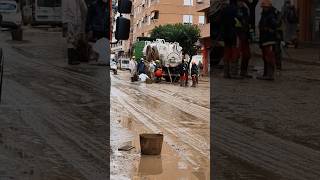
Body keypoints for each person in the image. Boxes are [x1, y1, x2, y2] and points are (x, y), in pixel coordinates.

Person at [220, 0, 242, 79]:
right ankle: (234, 73)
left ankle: (226, 73)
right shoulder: (236, 10)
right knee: (234, 53)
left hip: (226, 35)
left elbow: (221, 22)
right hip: (234, 34)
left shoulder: (224, 10)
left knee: (227, 53)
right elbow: (240, 21)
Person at [62, 0, 88, 65]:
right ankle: (71, 59)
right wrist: (64, 22)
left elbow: (84, 9)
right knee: (70, 40)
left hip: (78, 21)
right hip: (69, 21)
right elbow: (64, 10)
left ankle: (75, 58)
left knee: (76, 39)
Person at [257, 0, 278, 80]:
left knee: (269, 57)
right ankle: (266, 74)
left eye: (265, 7)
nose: (264, 8)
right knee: (265, 57)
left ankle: (270, 75)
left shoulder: (271, 15)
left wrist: (267, 29)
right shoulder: (264, 15)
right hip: (264, 38)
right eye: (263, 7)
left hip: (269, 39)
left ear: (268, 7)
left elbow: (275, 25)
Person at [236, 0, 253, 78]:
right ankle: (235, 72)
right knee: (236, 54)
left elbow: (247, 23)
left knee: (247, 54)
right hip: (238, 35)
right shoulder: (236, 10)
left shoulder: (245, 9)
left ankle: (243, 71)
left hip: (245, 35)